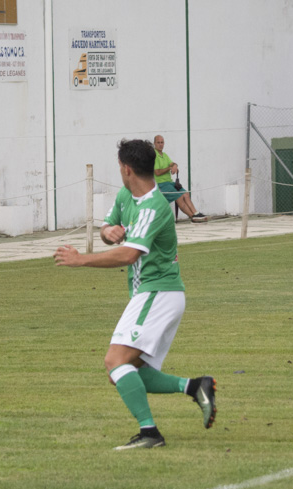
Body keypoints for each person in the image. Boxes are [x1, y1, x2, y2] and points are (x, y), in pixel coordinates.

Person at [54, 138, 217, 450]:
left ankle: (150, 433)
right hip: (152, 294)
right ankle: (196, 386)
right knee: (130, 371)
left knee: (115, 362)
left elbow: (129, 255)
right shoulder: (126, 196)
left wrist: (80, 260)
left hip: (158, 292)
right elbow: (108, 229)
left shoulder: (155, 207)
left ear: (126, 169)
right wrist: (107, 233)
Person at [153, 135, 208, 223]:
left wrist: (175, 166)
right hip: (161, 184)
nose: (160, 144)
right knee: (180, 196)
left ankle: (196, 213)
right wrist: (169, 168)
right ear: (154, 143)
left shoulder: (164, 155)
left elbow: (172, 163)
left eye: (162, 142)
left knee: (185, 193)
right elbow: (157, 172)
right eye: (158, 142)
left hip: (170, 183)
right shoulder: (154, 155)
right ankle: (193, 217)